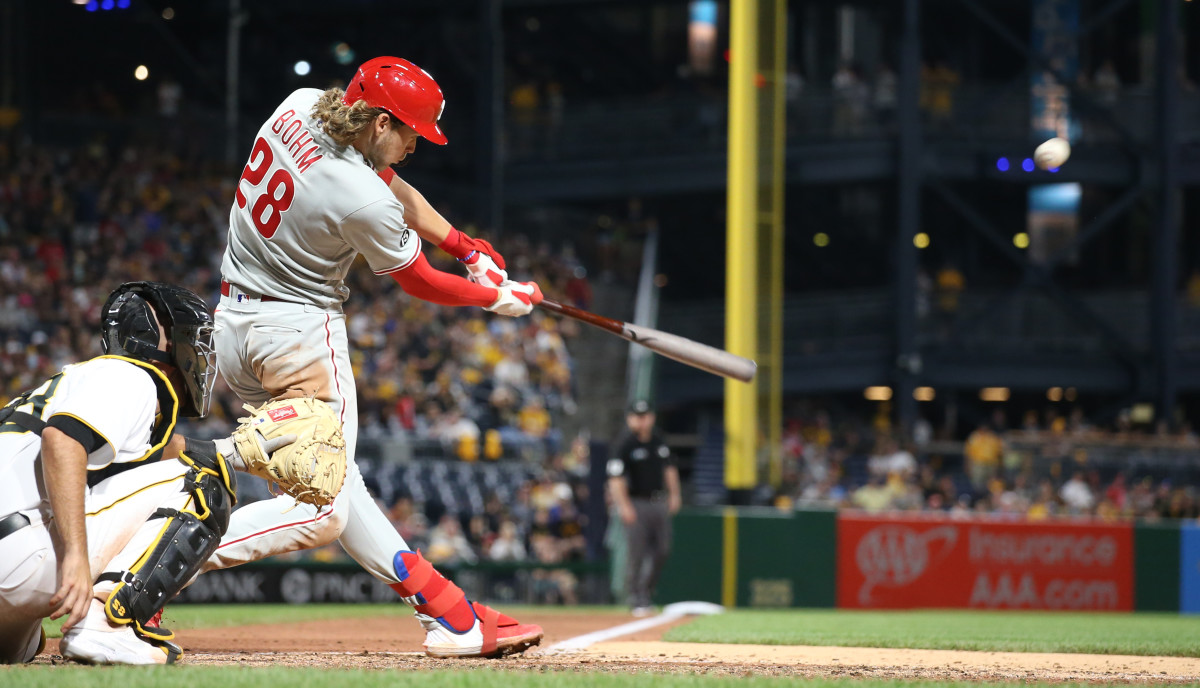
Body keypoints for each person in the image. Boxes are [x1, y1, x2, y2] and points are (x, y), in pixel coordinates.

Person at [204, 56, 543, 657]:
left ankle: (446, 610)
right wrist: (496, 297)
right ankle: (145, 563)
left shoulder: (300, 104)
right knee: (322, 509)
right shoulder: (360, 196)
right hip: (298, 338)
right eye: (411, 132)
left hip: (234, 328)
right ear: (381, 122)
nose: (416, 145)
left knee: (337, 483)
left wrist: (465, 248)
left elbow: (384, 181)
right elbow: (419, 281)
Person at [0, 282, 285, 665]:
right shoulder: (131, 375)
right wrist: (76, 557)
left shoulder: (78, 382)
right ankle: (105, 625)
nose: (199, 351)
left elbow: (154, 454)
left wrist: (241, 453)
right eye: (191, 337)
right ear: (157, 339)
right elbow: (62, 440)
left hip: (12, 554)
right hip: (19, 555)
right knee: (206, 480)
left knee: (22, 649)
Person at [606, 400, 680, 616]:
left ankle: (646, 592)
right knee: (637, 551)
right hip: (635, 502)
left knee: (662, 549)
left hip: (657, 501)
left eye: (645, 416)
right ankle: (636, 596)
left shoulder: (658, 440)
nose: (641, 421)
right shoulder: (624, 444)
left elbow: (669, 468)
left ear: (652, 417)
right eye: (637, 416)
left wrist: (675, 494)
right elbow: (615, 478)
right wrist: (623, 505)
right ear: (630, 419)